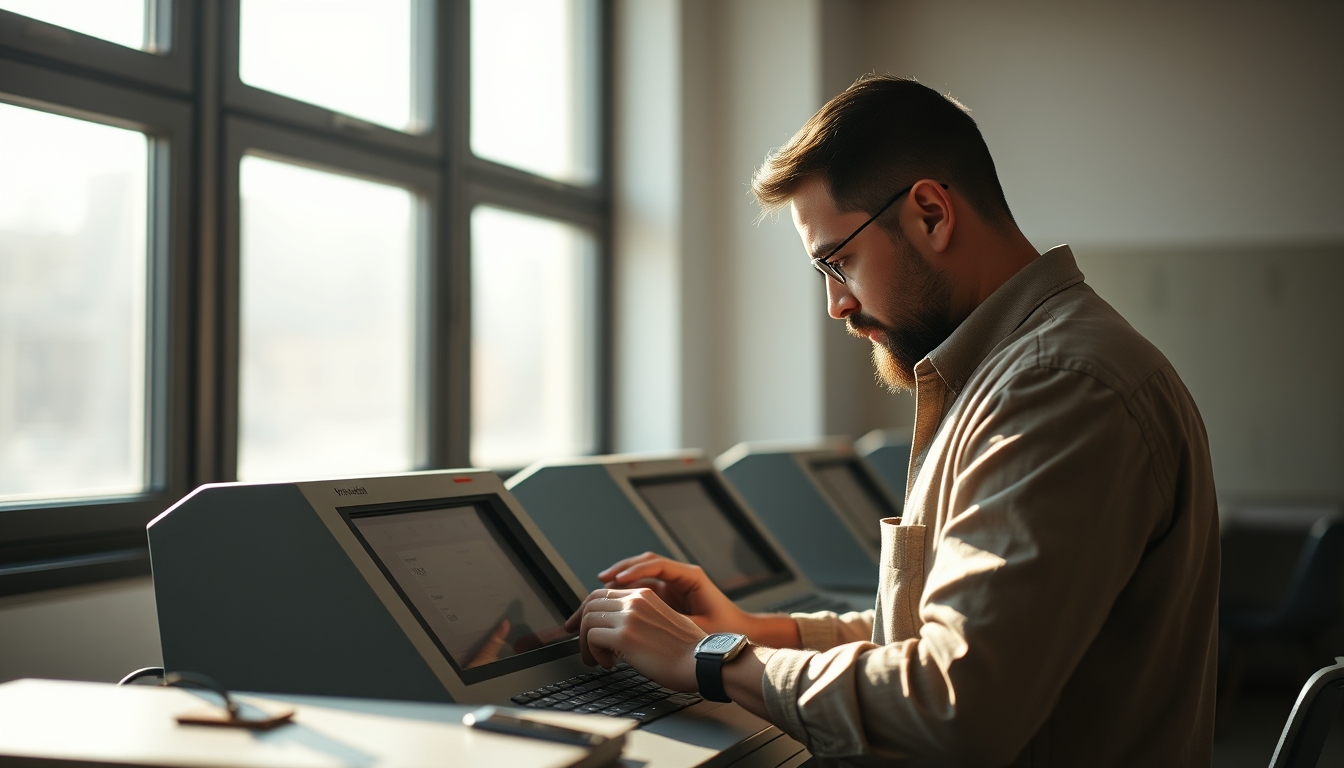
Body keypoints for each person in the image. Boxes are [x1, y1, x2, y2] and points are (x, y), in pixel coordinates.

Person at [564, 75, 1220, 766]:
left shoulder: (1059, 386)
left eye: (839, 261)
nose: (836, 305)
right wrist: (751, 629)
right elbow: (928, 634)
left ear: (931, 213)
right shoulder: (1011, 375)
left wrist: (706, 659)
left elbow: (953, 700)